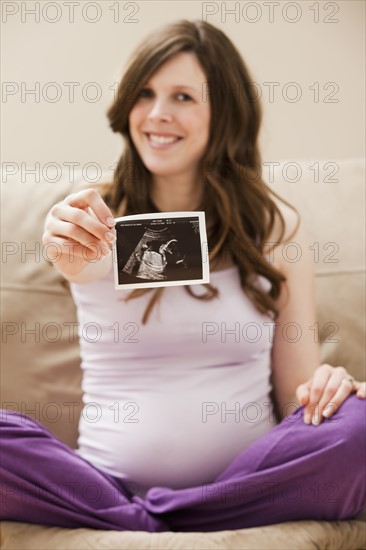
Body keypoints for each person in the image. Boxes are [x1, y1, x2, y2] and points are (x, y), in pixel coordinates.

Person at [1, 19, 365, 533]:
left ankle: (146, 523)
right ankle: (152, 517)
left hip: (244, 483)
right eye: (145, 93)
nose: (156, 114)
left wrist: (329, 389)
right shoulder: (98, 219)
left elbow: (296, 398)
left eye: (183, 97)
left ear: (226, 113)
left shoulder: (276, 228)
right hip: (102, 485)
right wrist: (66, 245)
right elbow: (78, 264)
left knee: (361, 425)